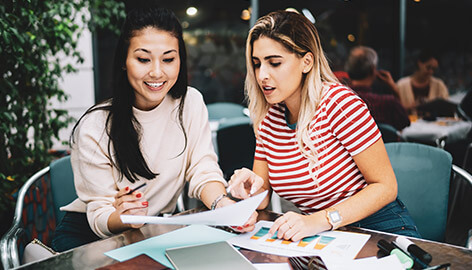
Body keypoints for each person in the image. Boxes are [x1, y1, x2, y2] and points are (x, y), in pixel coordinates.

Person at [52, 7, 252, 252]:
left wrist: (222, 205)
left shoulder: (190, 103)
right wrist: (124, 214)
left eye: (168, 59)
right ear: (124, 62)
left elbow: (202, 168)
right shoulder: (96, 126)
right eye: (143, 59)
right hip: (91, 237)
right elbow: (99, 214)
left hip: (150, 231)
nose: (157, 72)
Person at [228, 10, 420, 242]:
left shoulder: (339, 104)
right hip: (325, 237)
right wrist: (248, 188)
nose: (262, 75)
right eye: (257, 64)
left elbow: (386, 187)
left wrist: (318, 220)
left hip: (379, 230)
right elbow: (263, 196)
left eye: (275, 63)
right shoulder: (269, 120)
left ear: (306, 62)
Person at [345, 46, 410, 130]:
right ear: (372, 70)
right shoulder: (388, 103)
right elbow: (405, 122)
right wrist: (394, 88)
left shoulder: (340, 100)